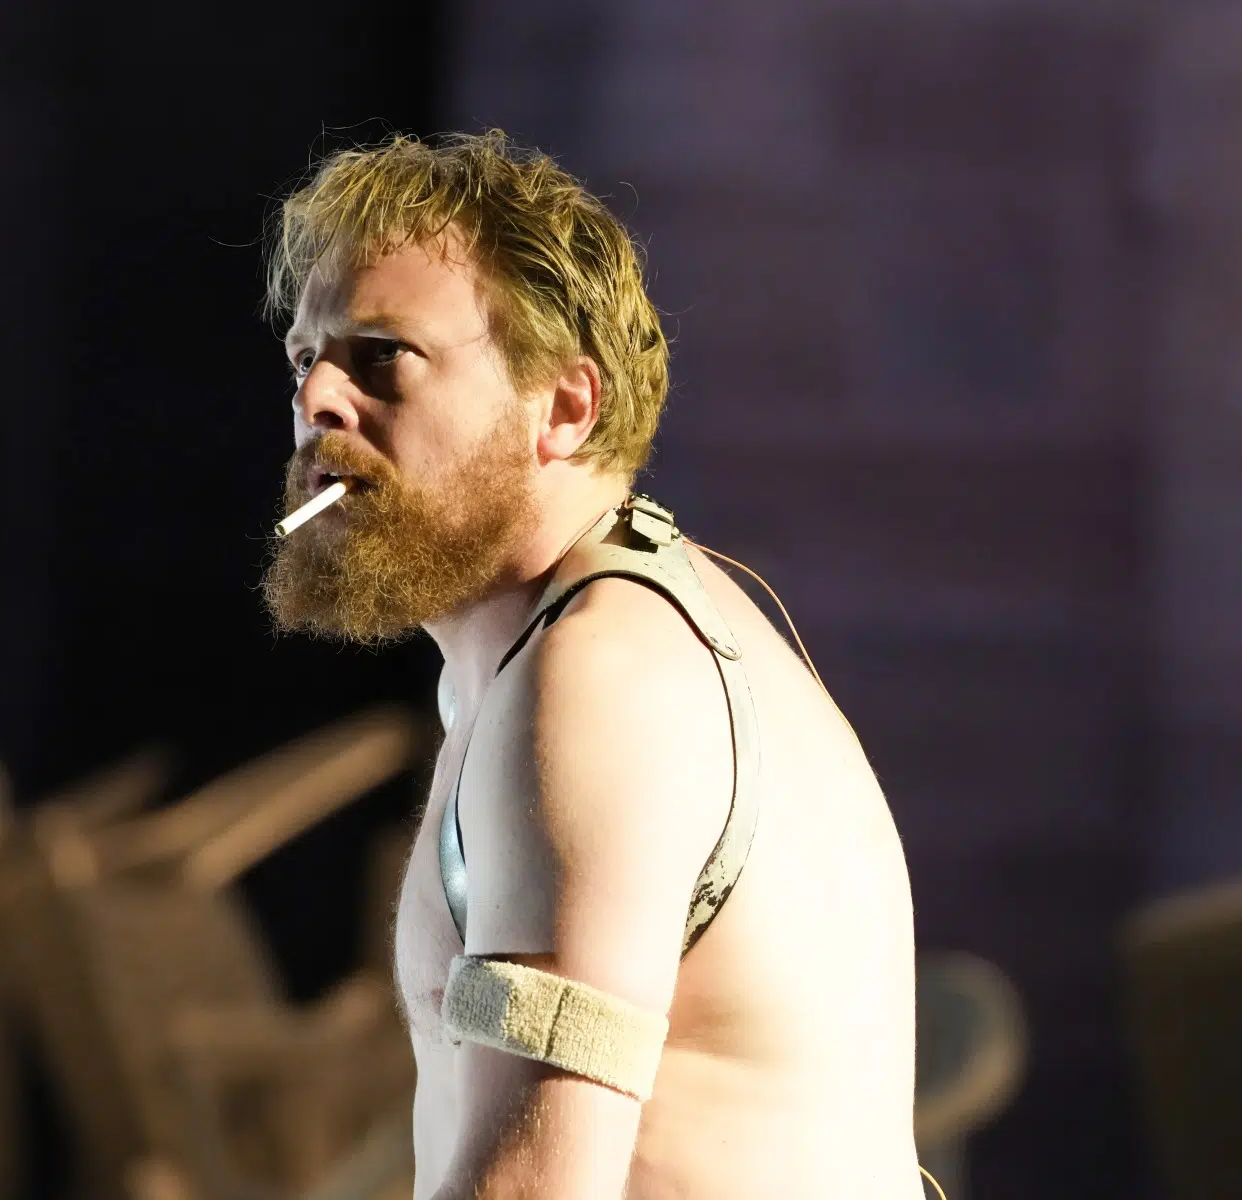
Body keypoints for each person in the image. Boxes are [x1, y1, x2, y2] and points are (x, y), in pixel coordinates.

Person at [262, 131, 919, 1199]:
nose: (318, 401)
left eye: (382, 354)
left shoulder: (600, 676)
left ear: (565, 408)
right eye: (305, 359)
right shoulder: (581, 635)